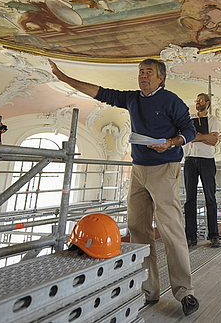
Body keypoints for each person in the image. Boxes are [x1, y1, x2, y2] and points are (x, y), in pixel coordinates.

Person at [48, 58, 200, 316]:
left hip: (165, 169)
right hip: (139, 170)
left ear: (160, 77)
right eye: (140, 72)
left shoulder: (171, 100)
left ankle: (185, 292)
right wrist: (65, 79)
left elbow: (190, 131)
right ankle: (148, 291)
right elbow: (101, 93)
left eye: (148, 72)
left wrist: (171, 143)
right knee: (138, 230)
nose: (143, 76)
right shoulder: (132, 99)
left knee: (171, 230)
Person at [183, 93, 221, 248]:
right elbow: (187, 137)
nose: (197, 102)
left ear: (207, 103)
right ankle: (190, 236)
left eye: (200, 100)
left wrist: (196, 135)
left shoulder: (213, 120)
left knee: (210, 198)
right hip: (190, 160)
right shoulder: (188, 118)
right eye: (196, 100)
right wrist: (203, 137)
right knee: (189, 199)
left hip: (207, 160)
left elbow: (213, 140)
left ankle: (214, 235)